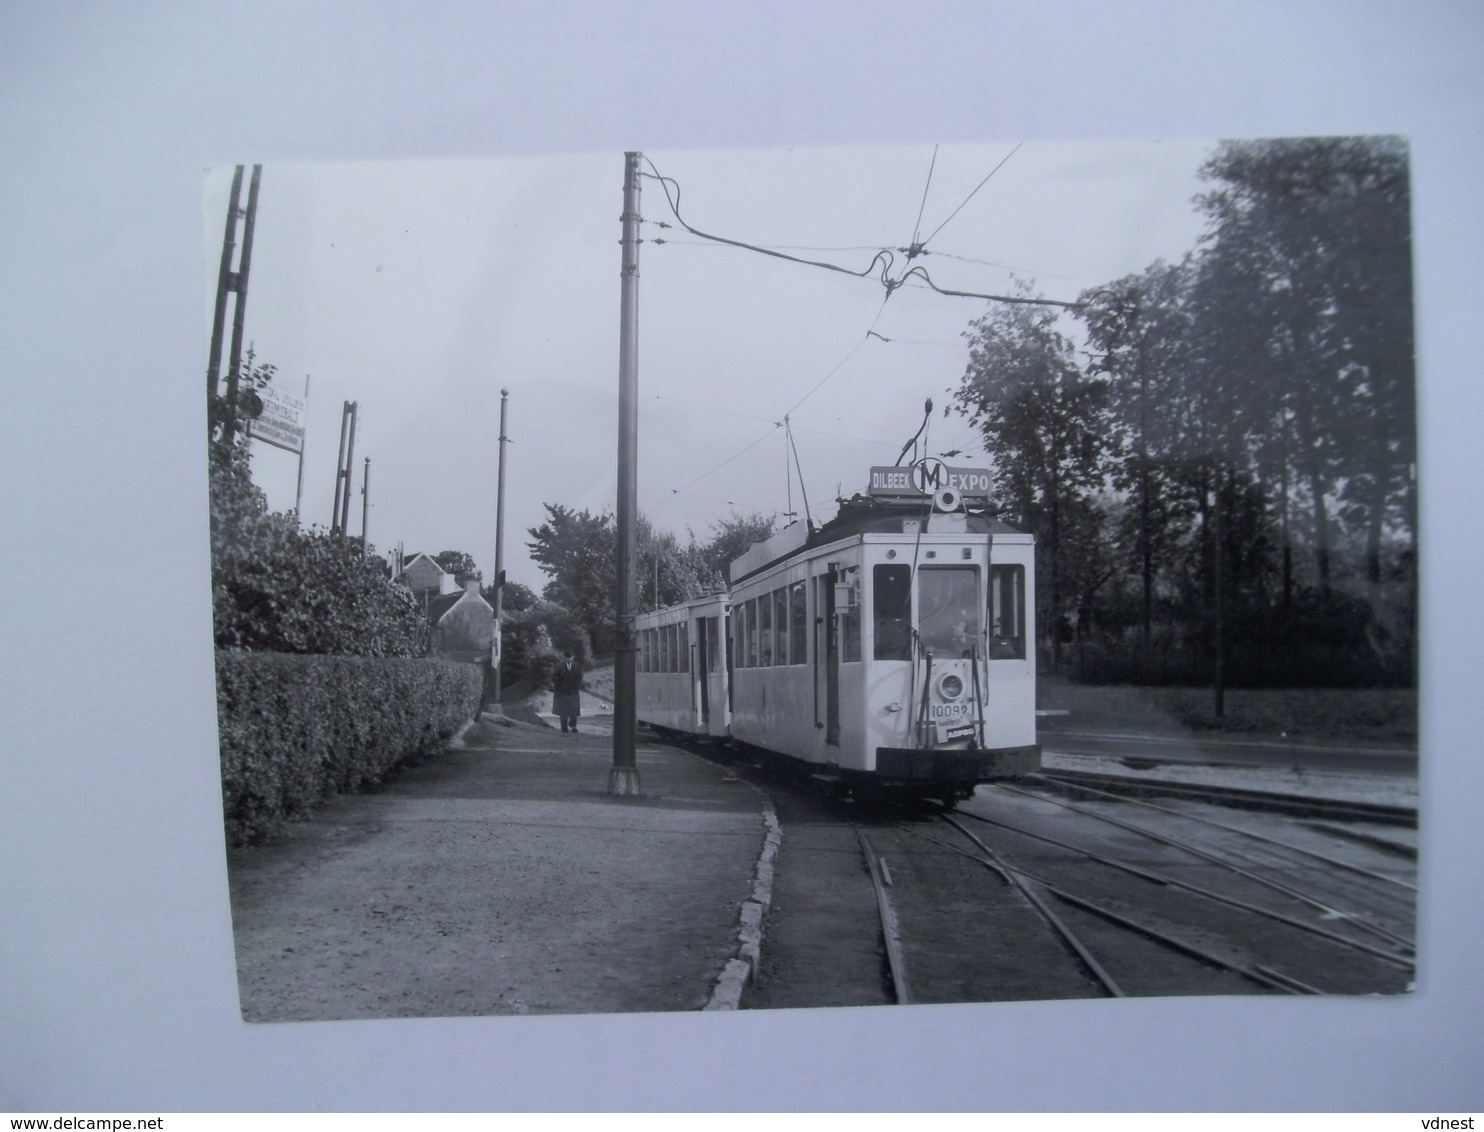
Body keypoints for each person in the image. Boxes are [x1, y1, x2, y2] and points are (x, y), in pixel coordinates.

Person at [552, 649, 583, 734]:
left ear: (573, 658)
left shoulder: (577, 666)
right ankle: (564, 727)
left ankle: (573, 726)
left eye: (571, 657)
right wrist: (560, 685)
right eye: (567, 657)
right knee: (563, 711)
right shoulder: (559, 667)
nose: (569, 659)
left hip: (573, 691)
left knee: (574, 710)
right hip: (562, 692)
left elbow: (580, 677)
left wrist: (575, 685)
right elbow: (554, 677)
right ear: (564, 658)